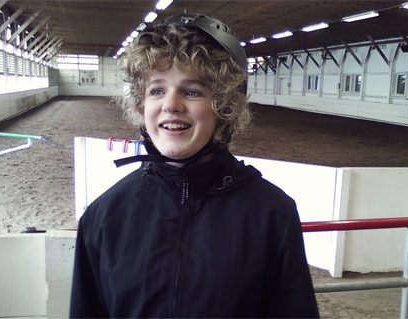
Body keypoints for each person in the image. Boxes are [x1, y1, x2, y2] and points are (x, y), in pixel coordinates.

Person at [70, 12, 319, 318]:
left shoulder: (272, 213)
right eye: (157, 90)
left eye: (192, 91)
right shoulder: (104, 216)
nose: (171, 105)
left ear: (225, 107)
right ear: (141, 103)